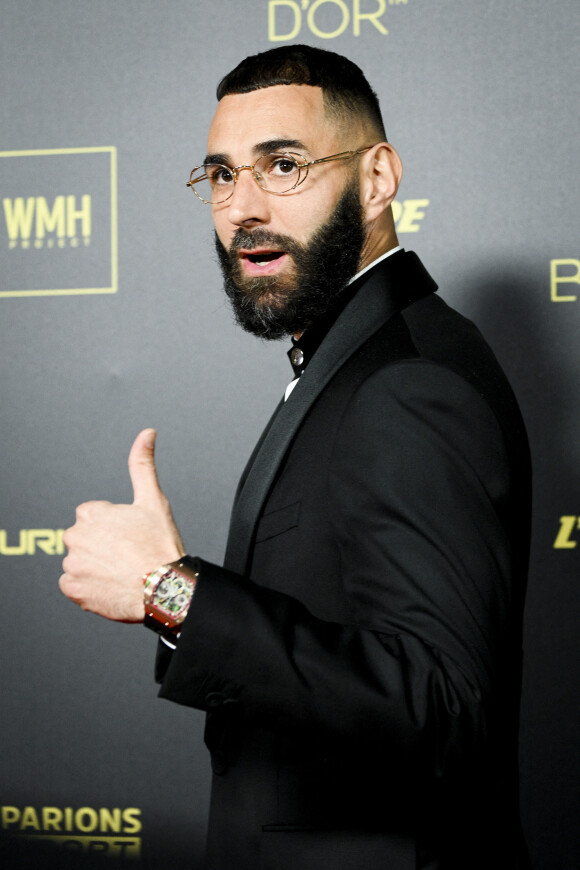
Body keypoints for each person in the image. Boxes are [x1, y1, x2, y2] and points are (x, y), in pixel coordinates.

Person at [59, 45, 532, 870]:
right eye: (221, 176)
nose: (242, 207)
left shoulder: (409, 383)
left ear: (377, 178)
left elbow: (445, 706)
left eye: (283, 166)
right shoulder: (354, 359)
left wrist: (170, 591)